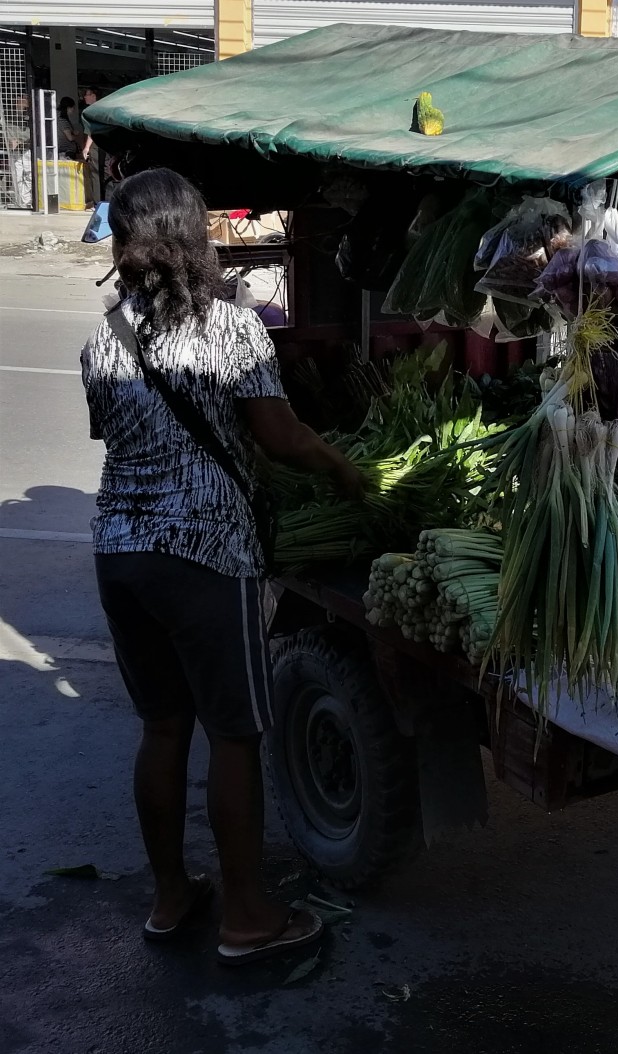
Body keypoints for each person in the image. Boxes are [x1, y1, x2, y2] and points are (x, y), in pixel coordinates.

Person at [80, 169, 365, 965]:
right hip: (205, 553)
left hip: (119, 554)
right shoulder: (233, 330)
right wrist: (343, 472)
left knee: (162, 727)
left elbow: (116, 437)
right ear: (193, 234)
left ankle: (172, 897)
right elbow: (278, 437)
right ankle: (246, 916)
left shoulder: (104, 338)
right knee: (234, 736)